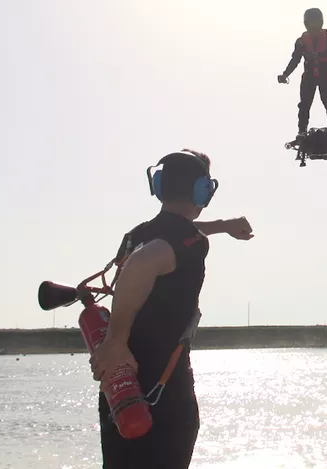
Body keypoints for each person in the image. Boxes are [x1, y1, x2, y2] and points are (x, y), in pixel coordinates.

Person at [89, 149, 253, 469]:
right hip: (162, 393)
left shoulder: (135, 235)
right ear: (204, 191)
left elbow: (166, 237)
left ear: (160, 185)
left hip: (120, 387)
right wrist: (116, 340)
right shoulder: (188, 242)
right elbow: (146, 261)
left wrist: (223, 225)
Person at [277, 7, 327, 140]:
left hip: (325, 76)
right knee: (304, 104)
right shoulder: (301, 41)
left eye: (316, 22)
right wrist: (285, 74)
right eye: (311, 23)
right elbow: (295, 59)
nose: (314, 26)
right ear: (306, 24)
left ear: (321, 22)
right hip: (309, 77)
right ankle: (302, 131)